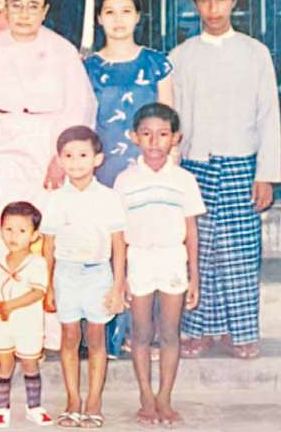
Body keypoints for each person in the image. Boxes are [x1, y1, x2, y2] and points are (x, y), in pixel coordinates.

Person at [0, 0, 97, 360]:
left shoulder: (62, 51)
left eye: (33, 6)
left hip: (45, 149)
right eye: (16, 5)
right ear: (4, 7)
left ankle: (45, 335)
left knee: (44, 239)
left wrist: (61, 157)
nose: (23, 14)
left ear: (46, 11)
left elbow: (80, 106)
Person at [170, 0, 280, 359]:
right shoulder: (181, 57)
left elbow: (269, 115)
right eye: (205, 0)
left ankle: (242, 332)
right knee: (199, 251)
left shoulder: (255, 53)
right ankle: (200, 330)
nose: (213, 8)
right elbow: (174, 119)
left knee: (239, 252)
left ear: (234, 2)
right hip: (195, 166)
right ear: (195, 4)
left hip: (240, 166)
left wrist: (266, 174)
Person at [84, 0, 173, 357]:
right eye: (109, 12)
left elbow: (168, 119)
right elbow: (85, 121)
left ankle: (143, 332)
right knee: (107, 249)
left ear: (138, 17)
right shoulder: (88, 67)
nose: (118, 20)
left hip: (147, 168)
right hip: (104, 170)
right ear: (99, 18)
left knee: (144, 248)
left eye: (126, 11)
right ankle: (105, 332)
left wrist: (167, 170)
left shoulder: (156, 63)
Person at [113, 103, 205, 426]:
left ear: (175, 138)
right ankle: (145, 395)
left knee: (169, 332)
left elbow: (191, 231)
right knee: (141, 332)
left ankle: (164, 396)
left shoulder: (184, 180)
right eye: (147, 134)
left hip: (172, 259)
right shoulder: (125, 181)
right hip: (139, 259)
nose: (154, 142)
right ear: (134, 137)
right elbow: (118, 234)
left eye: (163, 134)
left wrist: (194, 277)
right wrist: (120, 277)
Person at [42, 126, 127, 429]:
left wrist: (117, 287)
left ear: (97, 159)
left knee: (96, 338)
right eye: (68, 156)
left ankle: (93, 401)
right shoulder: (56, 199)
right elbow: (48, 246)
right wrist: (48, 286)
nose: (75, 162)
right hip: (66, 274)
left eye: (82, 155)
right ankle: (72, 400)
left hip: (98, 274)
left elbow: (119, 245)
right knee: (68, 337)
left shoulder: (108, 198)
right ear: (59, 160)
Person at [0, 202, 52, 428]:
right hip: (2, 325)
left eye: (22, 231)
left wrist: (9, 306)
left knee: (30, 365)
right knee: (4, 365)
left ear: (34, 235)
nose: (13, 236)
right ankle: (2, 409)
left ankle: (34, 407)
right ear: (0, 230)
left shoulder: (37, 263)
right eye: (8, 229)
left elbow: (37, 293)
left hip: (28, 326)